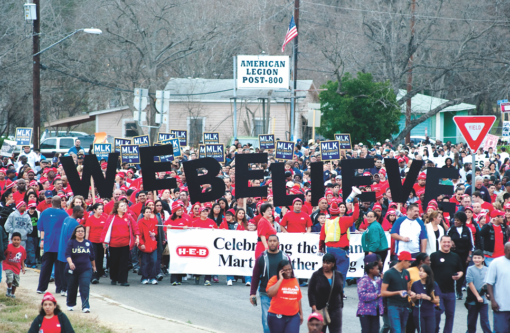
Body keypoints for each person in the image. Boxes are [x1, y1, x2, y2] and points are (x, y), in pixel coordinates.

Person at [250, 234, 291, 333]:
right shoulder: (262, 257)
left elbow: (290, 276)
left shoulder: (285, 257)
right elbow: (255, 276)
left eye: (274, 241)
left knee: (282, 320)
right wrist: (252, 293)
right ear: (267, 243)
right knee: (267, 321)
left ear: (278, 243)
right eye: (270, 241)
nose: (272, 243)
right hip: (265, 293)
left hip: (282, 294)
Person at [319, 199, 359, 290]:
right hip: (341, 251)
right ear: (338, 212)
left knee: (329, 271)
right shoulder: (344, 220)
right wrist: (356, 204)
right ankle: (339, 291)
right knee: (341, 272)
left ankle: (329, 290)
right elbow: (355, 217)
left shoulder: (326, 222)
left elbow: (322, 237)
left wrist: (320, 248)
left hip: (329, 250)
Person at [100, 201, 140, 286]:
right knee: (114, 262)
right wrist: (103, 241)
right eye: (122, 206)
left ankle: (123, 280)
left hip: (125, 244)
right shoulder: (111, 217)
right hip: (114, 244)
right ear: (117, 208)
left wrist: (137, 236)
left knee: (124, 262)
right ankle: (114, 279)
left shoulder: (128, 217)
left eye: (125, 206)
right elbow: (105, 229)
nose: (124, 207)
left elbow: (135, 227)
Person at [430, 235, 463, 333]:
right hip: (437, 291)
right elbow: (429, 272)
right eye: (444, 242)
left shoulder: (455, 256)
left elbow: (460, 270)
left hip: (450, 291)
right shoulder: (434, 255)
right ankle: (435, 330)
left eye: (448, 242)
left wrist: (458, 276)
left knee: (450, 315)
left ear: (451, 243)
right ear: (440, 243)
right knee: (437, 313)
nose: (446, 244)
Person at [37, 196, 69, 294]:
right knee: (60, 269)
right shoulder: (64, 214)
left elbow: (40, 227)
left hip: (48, 244)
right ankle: (61, 289)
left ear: (51, 202)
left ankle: (41, 288)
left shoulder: (45, 212)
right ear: (60, 203)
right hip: (60, 245)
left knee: (45, 268)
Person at [308, 253, 344, 333]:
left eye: (328, 263)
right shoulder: (316, 275)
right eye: (324, 262)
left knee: (336, 331)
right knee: (319, 331)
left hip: (335, 309)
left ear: (333, 264)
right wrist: (314, 308)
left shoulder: (338, 275)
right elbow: (311, 292)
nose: (325, 265)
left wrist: (341, 305)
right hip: (319, 309)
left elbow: (340, 291)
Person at [381, 251, 415, 333]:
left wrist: (411, 293)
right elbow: (383, 292)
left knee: (402, 330)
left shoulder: (407, 272)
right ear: (403, 261)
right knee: (397, 330)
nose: (410, 264)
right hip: (393, 306)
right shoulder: (389, 273)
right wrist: (398, 292)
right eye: (409, 261)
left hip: (405, 305)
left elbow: (408, 289)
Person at [266, 259, 303, 333]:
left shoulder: (294, 280)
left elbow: (298, 298)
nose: (288, 271)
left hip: (293, 316)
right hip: (277, 315)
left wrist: (301, 314)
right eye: (285, 270)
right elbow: (270, 294)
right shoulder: (274, 279)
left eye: (290, 269)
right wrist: (280, 280)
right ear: (281, 271)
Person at [65, 225, 96, 312]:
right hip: (73, 269)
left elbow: (92, 257)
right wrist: (71, 263)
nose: (80, 233)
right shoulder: (71, 242)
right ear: (75, 233)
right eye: (78, 231)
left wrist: (94, 267)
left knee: (85, 286)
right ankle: (70, 304)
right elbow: (67, 254)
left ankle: (85, 306)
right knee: (72, 287)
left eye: (82, 231)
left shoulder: (88, 243)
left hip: (86, 268)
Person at [57, 206, 83, 297]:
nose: (83, 214)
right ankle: (69, 290)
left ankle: (64, 289)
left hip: (61, 251)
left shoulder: (66, 219)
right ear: (76, 212)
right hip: (69, 252)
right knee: (70, 272)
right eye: (81, 212)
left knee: (63, 272)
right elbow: (72, 239)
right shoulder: (75, 224)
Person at [447, 212, 474, 300]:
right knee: (452, 272)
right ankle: (451, 290)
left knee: (462, 272)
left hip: (464, 255)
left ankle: (459, 291)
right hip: (454, 254)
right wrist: (450, 242)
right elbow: (446, 240)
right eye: (455, 220)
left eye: (458, 220)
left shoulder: (467, 230)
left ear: (462, 221)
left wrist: (469, 256)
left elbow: (471, 244)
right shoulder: (451, 230)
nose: (455, 222)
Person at [485, 242, 510, 333]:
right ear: (508, 250)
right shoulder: (496, 263)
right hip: (501, 306)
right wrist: (493, 300)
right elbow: (489, 283)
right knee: (500, 330)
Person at [466, 250, 491, 333]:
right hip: (473, 298)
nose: (477, 259)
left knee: (485, 320)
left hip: (484, 300)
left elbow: (489, 284)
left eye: (479, 258)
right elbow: (470, 283)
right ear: (472, 258)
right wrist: (477, 296)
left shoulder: (487, 269)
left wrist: (488, 294)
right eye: (475, 258)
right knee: (471, 321)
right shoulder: (470, 269)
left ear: (483, 259)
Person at [410, 264, 440, 333]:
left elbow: (437, 300)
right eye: (420, 271)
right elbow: (412, 301)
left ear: (428, 274)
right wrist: (415, 297)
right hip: (418, 312)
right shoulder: (415, 284)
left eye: (423, 271)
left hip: (430, 313)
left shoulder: (434, 284)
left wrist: (428, 298)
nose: (421, 273)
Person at [356, 261, 383, 333]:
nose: (379, 270)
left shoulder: (378, 280)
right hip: (365, 311)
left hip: (375, 310)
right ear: (371, 270)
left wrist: (383, 280)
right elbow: (362, 295)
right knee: (366, 330)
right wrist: (375, 295)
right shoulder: (363, 280)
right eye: (377, 269)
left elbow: (383, 289)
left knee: (375, 330)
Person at [85, 202, 108, 284]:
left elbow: (106, 231)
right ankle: (93, 275)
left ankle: (97, 275)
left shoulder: (104, 218)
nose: (101, 210)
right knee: (94, 258)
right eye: (99, 209)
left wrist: (105, 242)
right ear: (94, 210)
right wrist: (86, 242)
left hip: (101, 242)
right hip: (92, 241)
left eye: (102, 209)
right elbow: (87, 231)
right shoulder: (90, 219)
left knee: (100, 258)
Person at [138, 206, 159, 285]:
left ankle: (153, 277)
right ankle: (144, 277)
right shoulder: (140, 222)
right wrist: (141, 243)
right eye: (146, 212)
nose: (148, 213)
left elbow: (156, 231)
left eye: (149, 212)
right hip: (145, 245)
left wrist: (155, 233)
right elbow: (139, 234)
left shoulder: (154, 221)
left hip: (153, 245)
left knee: (154, 261)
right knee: (145, 262)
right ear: (143, 213)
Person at [3, 232, 26, 298]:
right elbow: (3, 254)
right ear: (11, 239)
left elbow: (22, 259)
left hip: (16, 267)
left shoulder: (22, 249)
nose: (16, 241)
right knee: (10, 278)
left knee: (15, 282)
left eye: (18, 240)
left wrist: (23, 268)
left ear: (20, 240)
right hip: (8, 265)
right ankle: (9, 288)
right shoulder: (8, 247)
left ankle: (12, 294)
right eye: (14, 239)